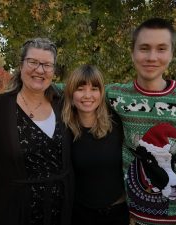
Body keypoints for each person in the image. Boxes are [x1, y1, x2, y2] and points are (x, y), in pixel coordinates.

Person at [106, 18, 176, 225]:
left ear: (172, 54)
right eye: (144, 48)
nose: (152, 57)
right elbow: (74, 90)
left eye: (161, 49)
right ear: (132, 53)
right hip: (138, 214)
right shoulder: (115, 96)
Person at [0, 38, 73, 225]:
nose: (40, 70)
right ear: (21, 65)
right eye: (33, 62)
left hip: (61, 212)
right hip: (15, 212)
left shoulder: (64, 105)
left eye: (47, 65)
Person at [62, 64, 129, 225]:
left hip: (116, 214)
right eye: (80, 89)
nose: (87, 95)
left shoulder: (118, 123)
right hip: (79, 214)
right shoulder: (63, 129)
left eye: (94, 89)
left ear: (101, 92)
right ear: (71, 93)